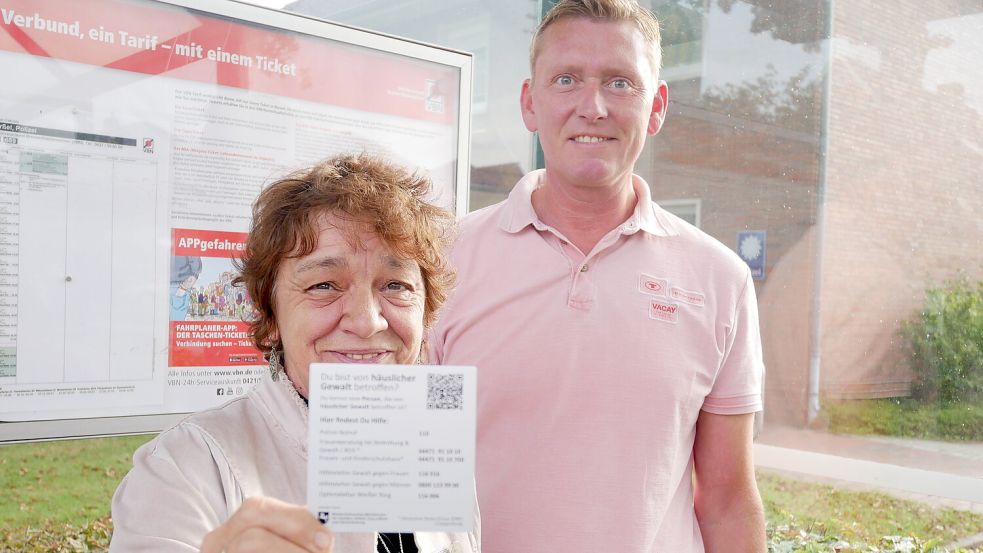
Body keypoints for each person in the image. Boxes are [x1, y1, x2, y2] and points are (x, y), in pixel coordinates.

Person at [429, 1, 766, 551]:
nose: (593, 107)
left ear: (656, 107)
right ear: (529, 103)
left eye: (620, 83)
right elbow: (408, 486)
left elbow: (727, 499)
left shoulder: (719, 279)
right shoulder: (441, 263)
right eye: (566, 80)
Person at [111, 154, 480, 553]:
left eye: (395, 285)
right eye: (324, 285)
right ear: (270, 317)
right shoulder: (182, 469)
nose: (367, 321)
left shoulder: (435, 455)